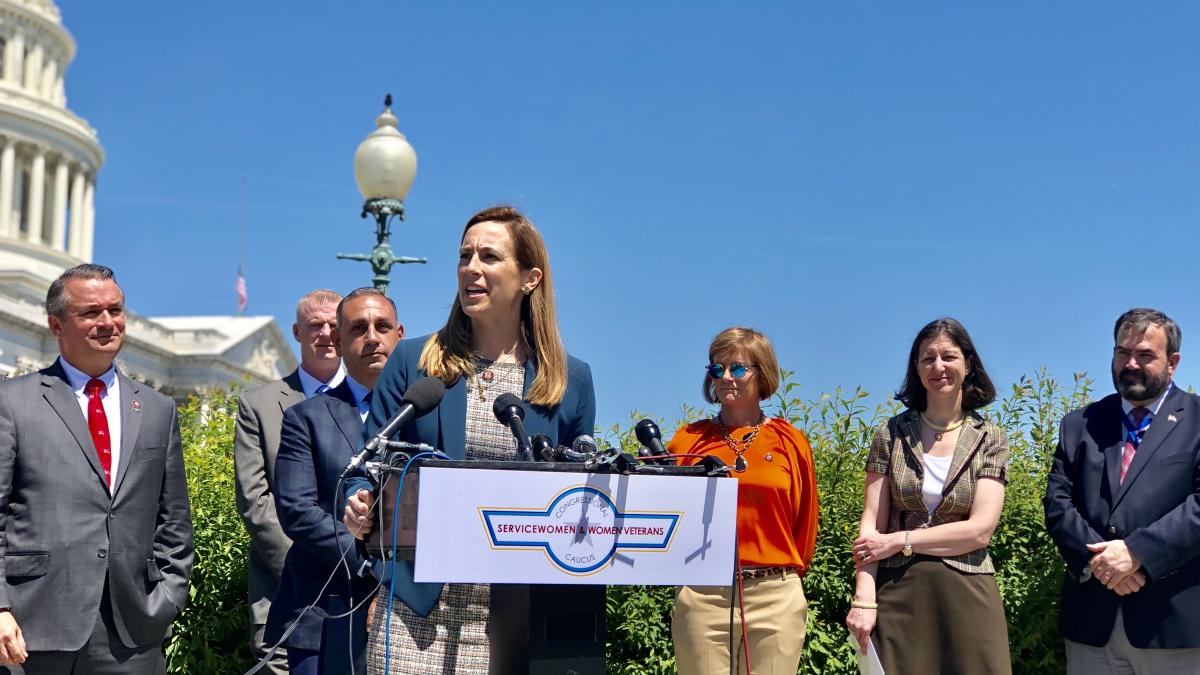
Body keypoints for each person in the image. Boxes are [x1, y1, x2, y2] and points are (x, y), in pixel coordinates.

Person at [342, 205, 595, 674]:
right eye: (464, 255)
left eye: (489, 256)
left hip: (514, 620)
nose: (471, 268)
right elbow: (364, 466)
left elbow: (580, 496)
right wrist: (359, 500)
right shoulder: (414, 360)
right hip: (415, 612)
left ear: (530, 278)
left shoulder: (570, 380)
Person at [0, 264, 194, 672]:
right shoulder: (12, 402)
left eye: (116, 310)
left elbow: (173, 519)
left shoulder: (158, 409)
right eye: (91, 313)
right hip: (31, 628)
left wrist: (167, 600)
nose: (108, 323)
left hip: (133, 633)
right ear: (56, 323)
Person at [845, 318, 1010, 674]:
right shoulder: (890, 433)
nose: (938, 367)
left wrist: (899, 540)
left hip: (969, 590)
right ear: (916, 369)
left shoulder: (991, 438)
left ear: (968, 364)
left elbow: (979, 531)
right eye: (927, 359)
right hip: (898, 592)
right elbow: (871, 522)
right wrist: (864, 597)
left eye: (948, 357)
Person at [1044, 308, 1200, 673]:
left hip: (1175, 628)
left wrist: (1137, 553)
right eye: (1122, 353)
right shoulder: (1079, 424)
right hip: (1092, 625)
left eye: (1145, 355)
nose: (1130, 364)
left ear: (1172, 362)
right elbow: (1057, 502)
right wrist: (1103, 565)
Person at [266, 287, 403, 675]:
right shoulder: (306, 418)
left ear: (400, 335)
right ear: (340, 341)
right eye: (358, 328)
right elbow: (297, 510)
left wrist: (400, 579)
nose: (372, 337)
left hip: (415, 617)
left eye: (383, 326)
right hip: (322, 613)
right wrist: (372, 567)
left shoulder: (429, 415)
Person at [668, 326, 818, 675]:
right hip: (703, 594)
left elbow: (805, 522)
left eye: (737, 368)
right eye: (716, 369)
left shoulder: (790, 441)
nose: (725, 377)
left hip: (774, 594)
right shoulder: (687, 441)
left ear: (762, 373)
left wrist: (782, 576)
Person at [235, 288, 344, 672]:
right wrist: (307, 564)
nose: (326, 333)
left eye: (335, 324)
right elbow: (255, 500)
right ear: (297, 332)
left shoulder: (373, 400)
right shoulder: (259, 406)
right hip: (285, 596)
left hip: (359, 595)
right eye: (316, 325)